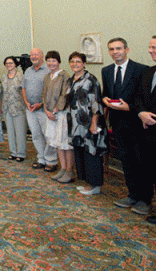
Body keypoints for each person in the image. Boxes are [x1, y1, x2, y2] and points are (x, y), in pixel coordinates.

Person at [102, 38, 151, 214]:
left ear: (127, 49)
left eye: (119, 48)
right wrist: (104, 100)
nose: (116, 52)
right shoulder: (106, 71)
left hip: (137, 124)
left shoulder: (141, 70)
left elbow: (144, 99)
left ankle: (145, 199)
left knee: (141, 162)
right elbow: (106, 94)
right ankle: (132, 194)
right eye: (112, 49)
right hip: (117, 123)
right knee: (127, 161)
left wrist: (129, 107)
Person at [67, 52, 107, 195]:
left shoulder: (90, 80)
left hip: (89, 123)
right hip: (76, 125)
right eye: (72, 61)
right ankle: (86, 182)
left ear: (84, 64)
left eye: (78, 61)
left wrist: (94, 123)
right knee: (80, 152)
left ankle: (95, 185)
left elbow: (96, 103)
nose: (75, 64)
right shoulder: (71, 79)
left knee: (91, 153)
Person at [22, 48, 57, 172]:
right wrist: (26, 102)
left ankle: (51, 160)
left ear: (42, 56)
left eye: (36, 54)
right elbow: (24, 88)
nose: (34, 56)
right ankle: (41, 158)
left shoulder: (49, 71)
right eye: (32, 54)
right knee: (36, 135)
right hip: (30, 109)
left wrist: (41, 104)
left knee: (48, 135)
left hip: (44, 109)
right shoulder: (28, 71)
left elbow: (51, 92)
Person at [42, 51, 72, 181]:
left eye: (53, 60)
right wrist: (46, 110)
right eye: (48, 60)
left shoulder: (65, 76)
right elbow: (44, 93)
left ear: (58, 61)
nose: (51, 63)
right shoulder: (48, 76)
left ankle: (70, 171)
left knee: (65, 143)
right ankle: (63, 168)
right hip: (50, 114)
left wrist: (54, 111)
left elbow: (65, 95)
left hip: (61, 114)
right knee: (56, 142)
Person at [135, 36, 156, 224]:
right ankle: (147, 202)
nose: (150, 50)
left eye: (154, 47)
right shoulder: (148, 72)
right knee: (150, 168)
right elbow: (139, 96)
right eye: (150, 47)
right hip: (147, 130)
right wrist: (142, 112)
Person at [0, 56, 27, 162]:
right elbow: (2, 92)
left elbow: (25, 92)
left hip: (19, 108)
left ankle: (21, 153)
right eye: (7, 63)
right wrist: (2, 105)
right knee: (10, 132)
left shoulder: (21, 77)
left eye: (11, 63)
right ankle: (13, 152)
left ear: (15, 64)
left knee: (20, 132)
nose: (9, 65)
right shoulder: (4, 77)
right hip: (7, 108)